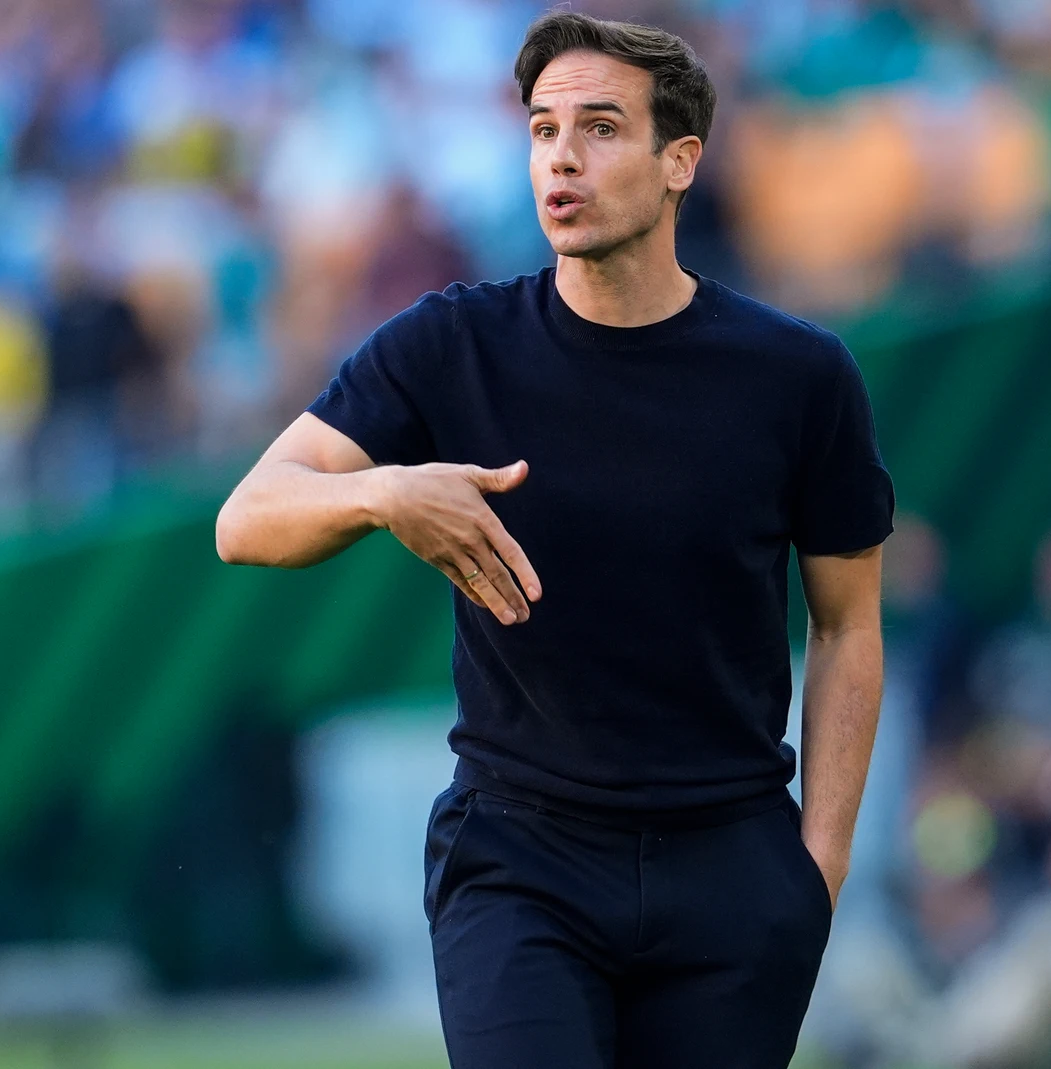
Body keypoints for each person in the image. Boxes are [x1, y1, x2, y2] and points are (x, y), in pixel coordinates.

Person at [217, 13, 894, 1069]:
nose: (562, 158)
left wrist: (822, 861)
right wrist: (386, 492)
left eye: (600, 128)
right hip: (519, 856)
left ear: (681, 163)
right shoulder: (451, 343)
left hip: (732, 865)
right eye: (541, 131)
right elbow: (245, 517)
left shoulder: (798, 377)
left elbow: (849, 624)